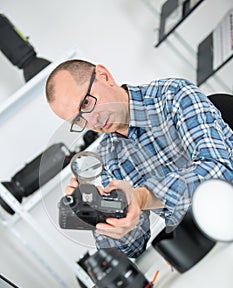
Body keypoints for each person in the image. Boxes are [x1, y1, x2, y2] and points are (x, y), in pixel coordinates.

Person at [45, 59, 233, 258]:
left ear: (104, 76)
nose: (93, 121)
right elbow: (133, 248)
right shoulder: (108, 155)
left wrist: (142, 197)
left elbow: (219, 169)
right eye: (78, 120)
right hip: (204, 247)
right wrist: (101, 213)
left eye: (86, 103)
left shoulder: (174, 95)